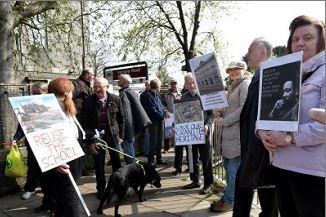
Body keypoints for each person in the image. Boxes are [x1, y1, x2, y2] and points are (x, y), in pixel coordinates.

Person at [258, 15, 325, 217]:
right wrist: (261, 131)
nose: (300, 43)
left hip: (310, 171)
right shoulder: (282, 72)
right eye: (295, 39)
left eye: (308, 37)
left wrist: (290, 137)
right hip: (280, 165)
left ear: (321, 41)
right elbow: (264, 111)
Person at [232, 38, 278, 217]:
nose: (246, 55)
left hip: (261, 146)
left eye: (250, 51)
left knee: (264, 189)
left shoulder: (271, 74)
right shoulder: (259, 75)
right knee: (261, 188)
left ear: (263, 53)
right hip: (253, 144)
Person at [210, 60, 251, 212]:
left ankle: (230, 201)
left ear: (243, 69)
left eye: (237, 69)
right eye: (230, 70)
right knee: (229, 169)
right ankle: (229, 197)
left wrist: (225, 121)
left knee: (233, 172)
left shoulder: (245, 84)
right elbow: (231, 107)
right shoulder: (233, 86)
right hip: (228, 136)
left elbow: (243, 109)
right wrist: (219, 111)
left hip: (236, 136)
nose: (233, 72)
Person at [45, 77, 84, 217]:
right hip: (61, 166)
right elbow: (45, 141)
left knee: (62, 203)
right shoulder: (50, 111)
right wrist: (56, 162)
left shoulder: (66, 107)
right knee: (71, 203)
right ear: (68, 92)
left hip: (69, 163)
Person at [81, 77, 125, 199]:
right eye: (95, 86)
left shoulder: (116, 99)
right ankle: (101, 190)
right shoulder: (88, 101)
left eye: (99, 86)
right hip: (97, 138)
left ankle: (118, 186)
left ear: (106, 87)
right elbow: (85, 124)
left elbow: (122, 119)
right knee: (99, 165)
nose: (96, 89)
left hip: (113, 136)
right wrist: (90, 142)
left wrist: (121, 136)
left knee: (116, 163)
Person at [11, 82, 48, 201]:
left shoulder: (51, 105)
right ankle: (30, 188)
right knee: (32, 166)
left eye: (38, 93)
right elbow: (23, 124)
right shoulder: (27, 106)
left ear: (45, 92)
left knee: (46, 168)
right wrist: (16, 138)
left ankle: (46, 189)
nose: (35, 95)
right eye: (33, 93)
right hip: (33, 142)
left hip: (48, 142)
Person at [181, 73, 214, 195]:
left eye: (192, 82)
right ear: (185, 84)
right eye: (188, 83)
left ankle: (208, 184)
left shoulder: (204, 96)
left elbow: (211, 114)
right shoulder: (183, 97)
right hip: (190, 132)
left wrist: (207, 125)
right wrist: (177, 127)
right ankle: (195, 180)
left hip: (203, 132)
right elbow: (181, 115)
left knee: (206, 159)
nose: (191, 85)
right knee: (192, 157)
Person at [118, 74, 151, 164]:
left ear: (125, 82)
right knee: (129, 147)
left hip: (128, 126)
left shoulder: (125, 93)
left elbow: (126, 114)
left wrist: (125, 130)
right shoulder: (131, 92)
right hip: (131, 125)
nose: (118, 81)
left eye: (120, 79)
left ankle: (132, 168)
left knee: (128, 149)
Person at [72, 68, 94, 176]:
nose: (93, 77)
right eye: (91, 75)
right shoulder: (76, 84)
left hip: (86, 118)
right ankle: (80, 169)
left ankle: (85, 167)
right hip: (78, 118)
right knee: (79, 143)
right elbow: (69, 97)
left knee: (86, 143)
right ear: (86, 75)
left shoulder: (88, 85)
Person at [140, 79, 168, 165]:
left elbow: (161, 106)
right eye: (159, 87)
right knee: (153, 142)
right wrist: (162, 117)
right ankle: (151, 161)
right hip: (153, 122)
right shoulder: (147, 96)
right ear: (156, 87)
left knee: (159, 141)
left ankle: (159, 158)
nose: (160, 89)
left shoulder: (156, 95)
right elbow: (152, 110)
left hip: (159, 121)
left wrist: (165, 112)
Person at [161, 79, 181, 153]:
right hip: (168, 115)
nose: (174, 85)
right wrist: (165, 111)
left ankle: (177, 148)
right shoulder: (165, 94)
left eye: (175, 84)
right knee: (168, 133)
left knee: (178, 132)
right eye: (173, 84)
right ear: (170, 85)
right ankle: (166, 148)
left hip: (178, 116)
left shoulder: (180, 94)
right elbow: (162, 105)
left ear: (177, 85)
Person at [140, 80, 151, 156]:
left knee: (150, 135)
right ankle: (146, 152)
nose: (147, 86)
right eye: (146, 85)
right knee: (147, 135)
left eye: (149, 85)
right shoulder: (143, 95)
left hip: (151, 118)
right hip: (147, 118)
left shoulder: (154, 93)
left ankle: (149, 151)